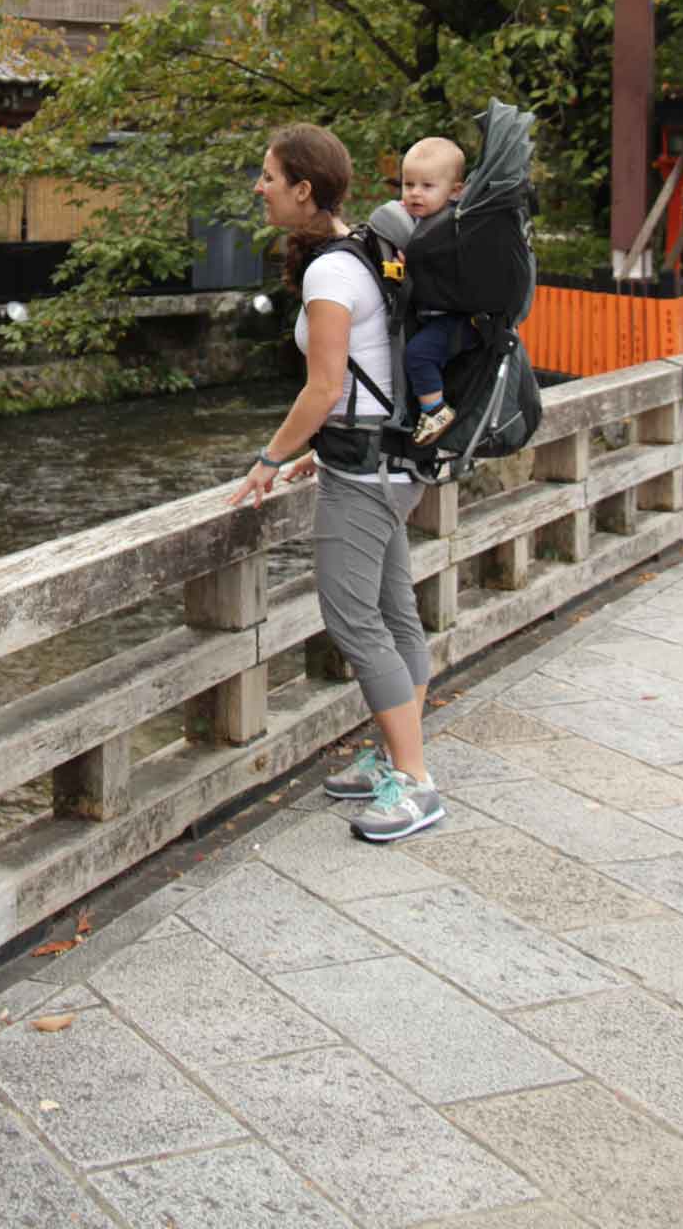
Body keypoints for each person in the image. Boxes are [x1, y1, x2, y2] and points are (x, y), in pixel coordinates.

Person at [230, 122, 444, 842]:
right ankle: (396, 757)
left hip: (366, 473)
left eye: (268, 176)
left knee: (356, 620)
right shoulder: (367, 253)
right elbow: (369, 372)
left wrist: (267, 459)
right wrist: (315, 451)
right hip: (386, 458)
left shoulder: (330, 272)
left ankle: (414, 783)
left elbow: (322, 388)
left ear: (303, 189)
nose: (259, 188)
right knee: (392, 610)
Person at [399, 136, 479, 446]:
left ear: (455, 191)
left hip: (456, 320)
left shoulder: (451, 229)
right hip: (437, 314)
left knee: (418, 355)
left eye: (427, 186)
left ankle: (435, 410)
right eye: (408, 185)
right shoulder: (428, 222)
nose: (415, 193)